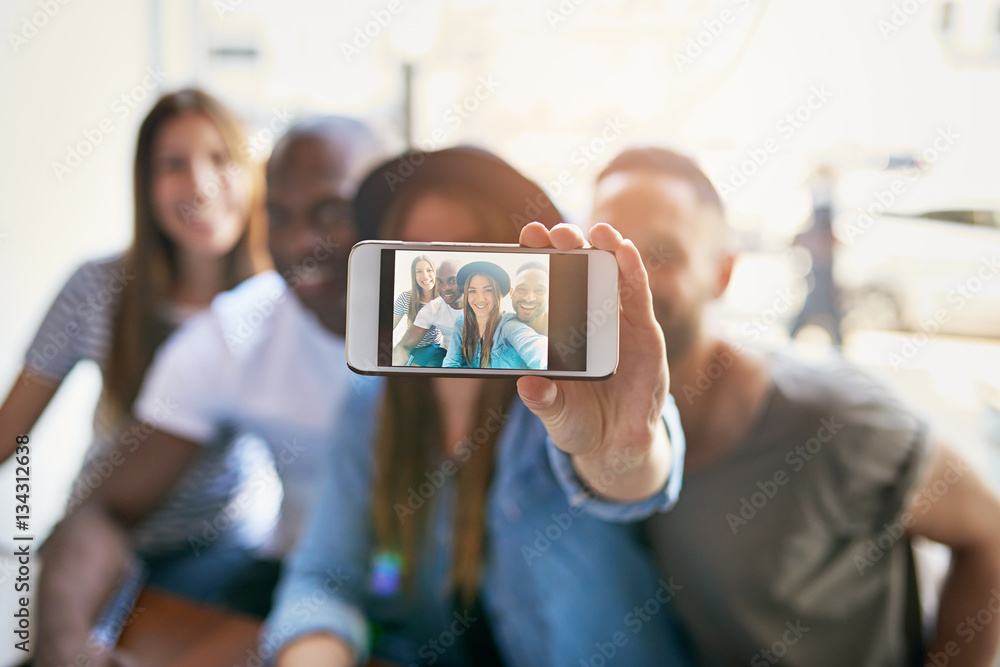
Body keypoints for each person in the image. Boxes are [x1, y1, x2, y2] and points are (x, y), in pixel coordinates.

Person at [262, 147, 690, 666]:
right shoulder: (370, 408)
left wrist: (623, 452)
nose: (452, 290)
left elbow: (636, 478)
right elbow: (325, 577)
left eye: (468, 259)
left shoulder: (566, 397)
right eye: (424, 264)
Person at [590, 146, 1000, 666]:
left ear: (723, 274)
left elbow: (989, 533)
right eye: (603, 252)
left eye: (662, 254)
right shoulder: (581, 427)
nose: (628, 281)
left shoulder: (833, 418)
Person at [33, 116, 386, 666]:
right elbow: (102, 510)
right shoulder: (235, 333)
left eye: (331, 212)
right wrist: (65, 647)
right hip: (305, 590)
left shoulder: (457, 329)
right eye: (279, 215)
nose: (300, 244)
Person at [0, 86, 280, 634]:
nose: (200, 184)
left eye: (220, 158)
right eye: (172, 165)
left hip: (220, 547)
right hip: (102, 535)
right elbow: (9, 433)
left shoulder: (277, 307)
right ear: (145, 185)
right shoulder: (97, 289)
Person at [441, 260, 546, 370]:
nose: (480, 299)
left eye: (488, 290)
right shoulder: (461, 322)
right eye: (472, 291)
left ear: (498, 294)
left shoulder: (509, 326)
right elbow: (451, 361)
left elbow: (537, 348)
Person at [392, 258, 463, 366]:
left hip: (432, 345)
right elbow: (404, 346)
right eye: (440, 281)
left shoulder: (479, 303)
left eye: (453, 280)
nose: (446, 288)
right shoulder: (432, 308)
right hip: (445, 351)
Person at [510, 260, 549, 335]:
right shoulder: (502, 328)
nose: (529, 298)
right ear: (511, 293)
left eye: (539, 290)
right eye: (522, 289)